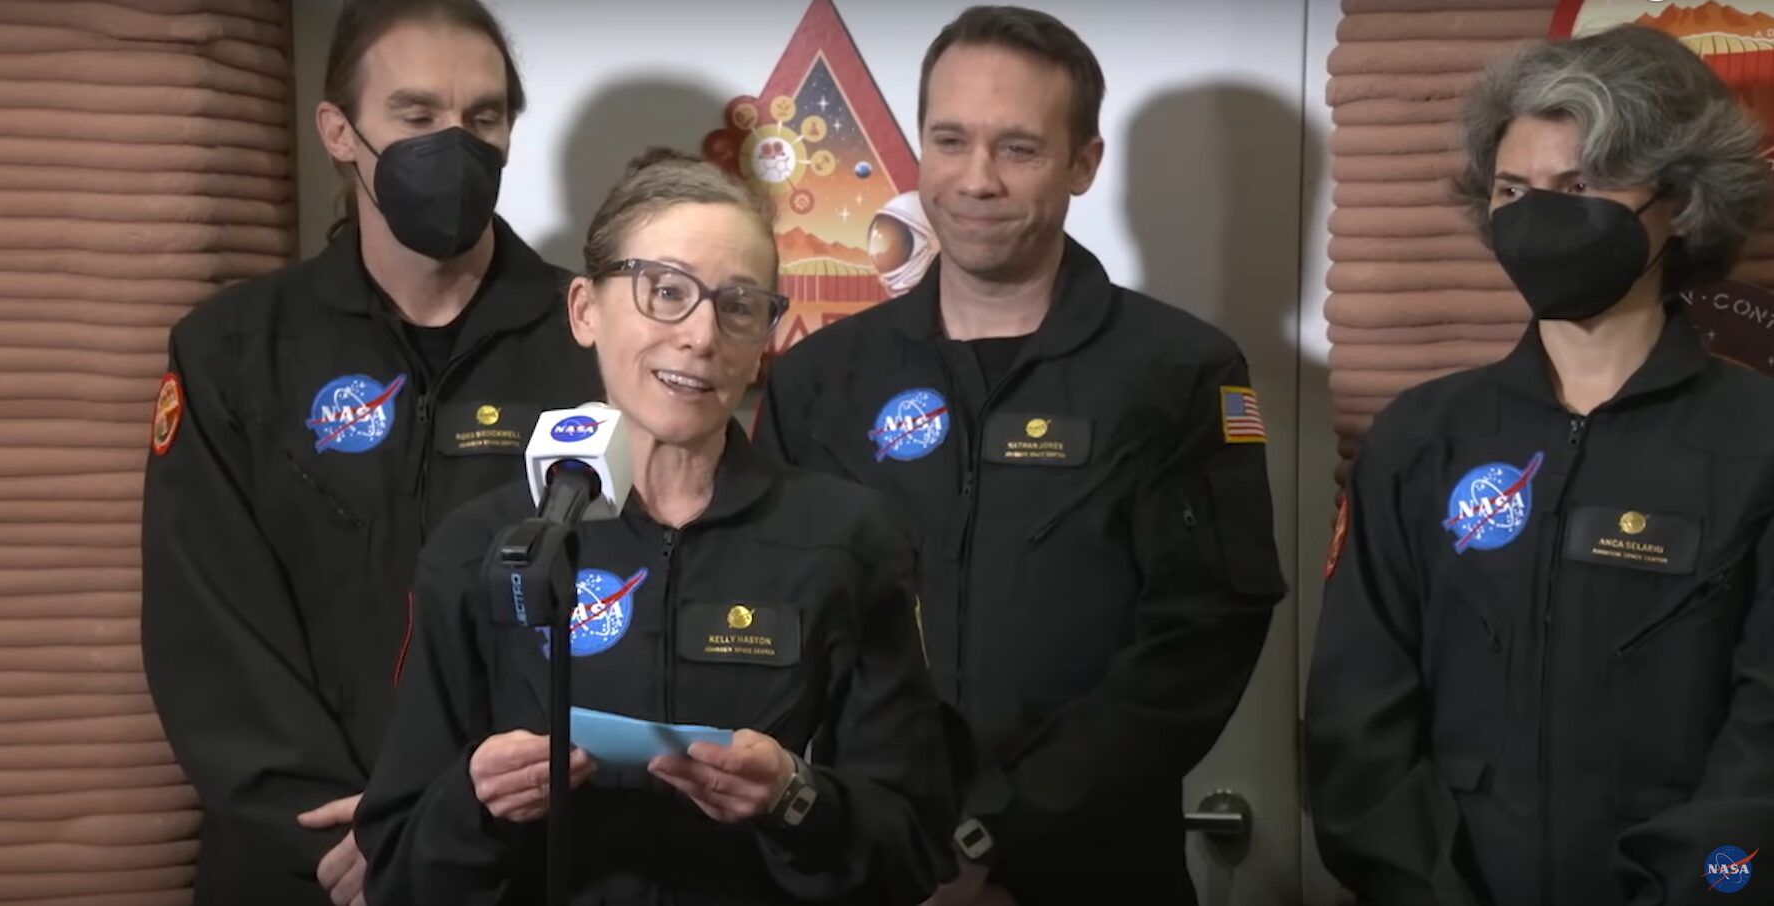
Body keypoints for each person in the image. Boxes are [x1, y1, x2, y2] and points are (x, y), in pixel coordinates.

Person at [754, 7, 1287, 904]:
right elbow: (777, 619)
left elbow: (1198, 638)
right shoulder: (818, 379)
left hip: (1095, 870)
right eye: (950, 140)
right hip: (872, 866)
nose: (976, 180)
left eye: (1019, 149)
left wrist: (996, 837)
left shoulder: (1180, 373)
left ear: (1083, 164)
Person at [353, 148, 967, 905]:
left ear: (764, 340)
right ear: (585, 310)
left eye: (738, 305)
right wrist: (475, 803)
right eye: (666, 292)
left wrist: (795, 800)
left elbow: (911, 850)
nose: (702, 335)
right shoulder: (485, 543)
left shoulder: (845, 540)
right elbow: (396, 869)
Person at [139, 1, 601, 903]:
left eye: (484, 118)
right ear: (339, 133)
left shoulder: (591, 341)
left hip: (522, 854)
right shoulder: (233, 349)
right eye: (418, 117)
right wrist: (331, 824)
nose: (455, 146)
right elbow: (208, 618)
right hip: (303, 860)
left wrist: (456, 821)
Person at [1305, 24, 1774, 906]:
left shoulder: (1756, 440)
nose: (1536, 216)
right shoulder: (1420, 437)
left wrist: (1707, 890)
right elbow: (1354, 720)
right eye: (1512, 188)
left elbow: (1764, 747)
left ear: (1676, 202)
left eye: (1579, 186)